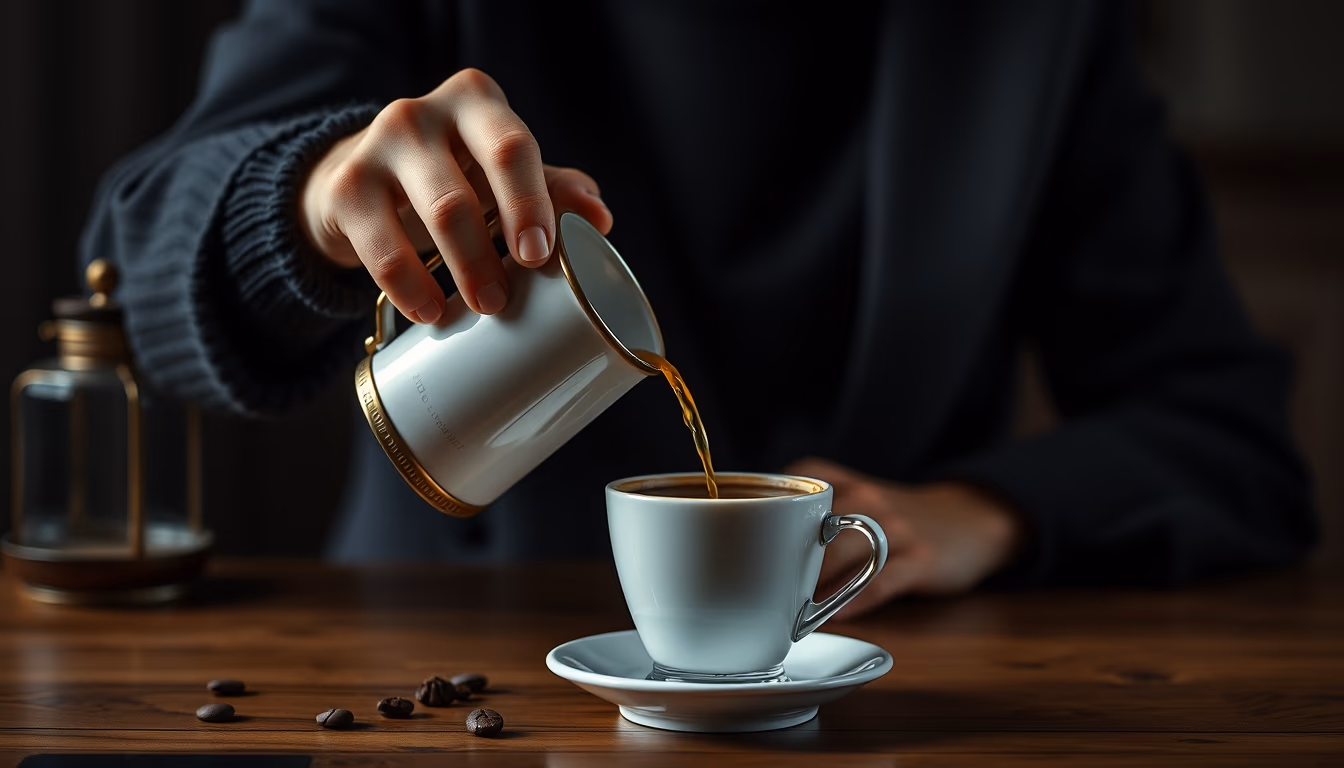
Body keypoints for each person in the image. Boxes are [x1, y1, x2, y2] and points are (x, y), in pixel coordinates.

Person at [81, 0, 1315, 617]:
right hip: (454, 674)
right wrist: (301, 203)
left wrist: (977, 514)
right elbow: (124, 280)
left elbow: (1233, 446)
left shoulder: (1034, 31)